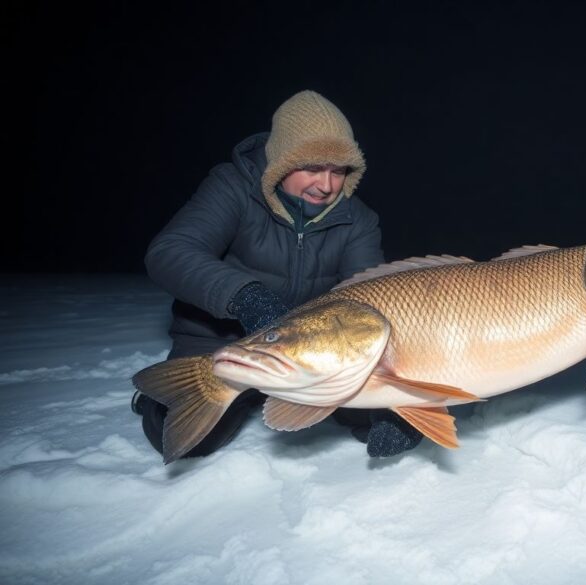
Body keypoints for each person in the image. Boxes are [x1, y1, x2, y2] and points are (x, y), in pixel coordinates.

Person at [132, 90, 423, 459]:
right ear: (282, 162)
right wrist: (244, 296)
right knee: (197, 439)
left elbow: (366, 296)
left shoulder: (358, 219)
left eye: (338, 171)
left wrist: (402, 408)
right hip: (221, 336)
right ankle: (155, 400)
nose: (326, 185)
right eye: (313, 168)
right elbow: (170, 252)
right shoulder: (232, 188)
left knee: (378, 409)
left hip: (311, 348)